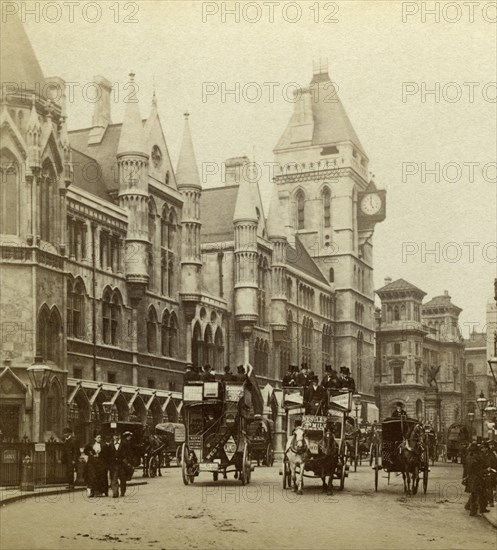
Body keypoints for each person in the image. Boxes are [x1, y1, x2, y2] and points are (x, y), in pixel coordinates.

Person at [463, 442, 488, 516]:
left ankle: (468, 506)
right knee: (478, 494)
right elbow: (479, 469)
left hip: (471, 478)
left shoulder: (468, 456)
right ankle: (473, 512)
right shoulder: (477, 457)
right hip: (477, 478)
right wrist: (486, 470)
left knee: (474, 493)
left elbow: (465, 467)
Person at [84, 432, 110, 497]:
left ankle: (101, 491)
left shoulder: (103, 445)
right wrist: (91, 453)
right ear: (95, 438)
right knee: (92, 477)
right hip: (92, 463)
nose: (99, 439)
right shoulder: (90, 444)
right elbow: (85, 451)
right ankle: (92, 492)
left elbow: (107, 454)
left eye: (100, 437)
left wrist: (100, 455)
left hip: (100, 463)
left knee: (101, 477)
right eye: (98, 437)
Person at [108, 432, 133, 498]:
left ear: (120, 436)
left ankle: (122, 491)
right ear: (113, 437)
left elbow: (129, 453)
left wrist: (128, 462)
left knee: (123, 478)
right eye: (115, 436)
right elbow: (108, 455)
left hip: (122, 464)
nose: (116, 437)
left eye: (117, 436)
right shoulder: (110, 445)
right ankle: (115, 493)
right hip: (113, 464)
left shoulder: (125, 444)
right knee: (114, 478)